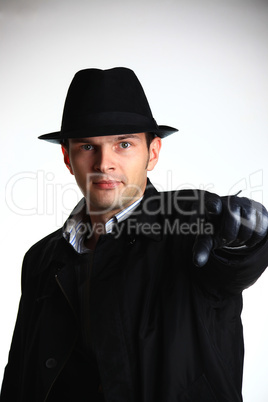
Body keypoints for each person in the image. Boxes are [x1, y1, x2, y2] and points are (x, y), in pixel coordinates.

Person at [1, 67, 268, 402]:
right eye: (87, 147)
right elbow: (19, 375)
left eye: (123, 144)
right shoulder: (40, 258)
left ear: (152, 153)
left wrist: (246, 240)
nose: (104, 163)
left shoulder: (191, 223)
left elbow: (235, 263)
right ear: (67, 158)